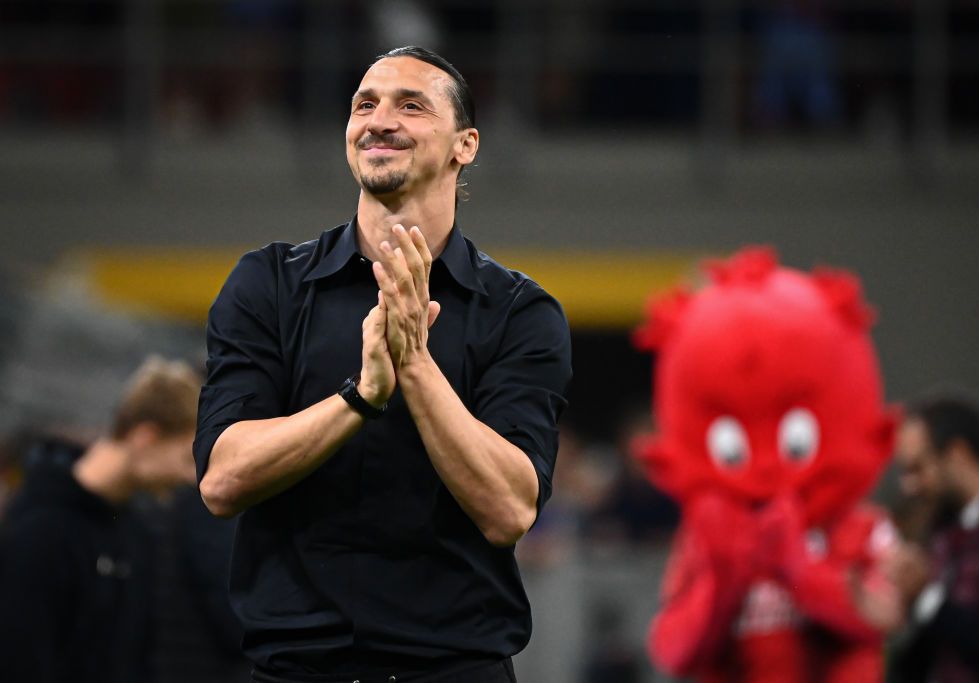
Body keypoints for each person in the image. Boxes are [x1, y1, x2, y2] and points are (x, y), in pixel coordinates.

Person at [193, 46, 572, 682]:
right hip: (294, 668)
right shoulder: (268, 284)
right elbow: (222, 481)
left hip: (455, 667)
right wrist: (361, 397)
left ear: (465, 145)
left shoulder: (520, 312)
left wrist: (416, 368)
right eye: (364, 104)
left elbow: (509, 509)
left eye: (411, 105)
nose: (378, 119)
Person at [0, 356, 202, 683]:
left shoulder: (137, 537)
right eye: (185, 458)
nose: (190, 477)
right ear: (145, 436)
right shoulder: (40, 530)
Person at [887, 394, 979, 682]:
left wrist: (927, 599)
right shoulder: (944, 529)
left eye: (918, 468)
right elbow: (936, 649)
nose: (909, 486)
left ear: (958, 455)